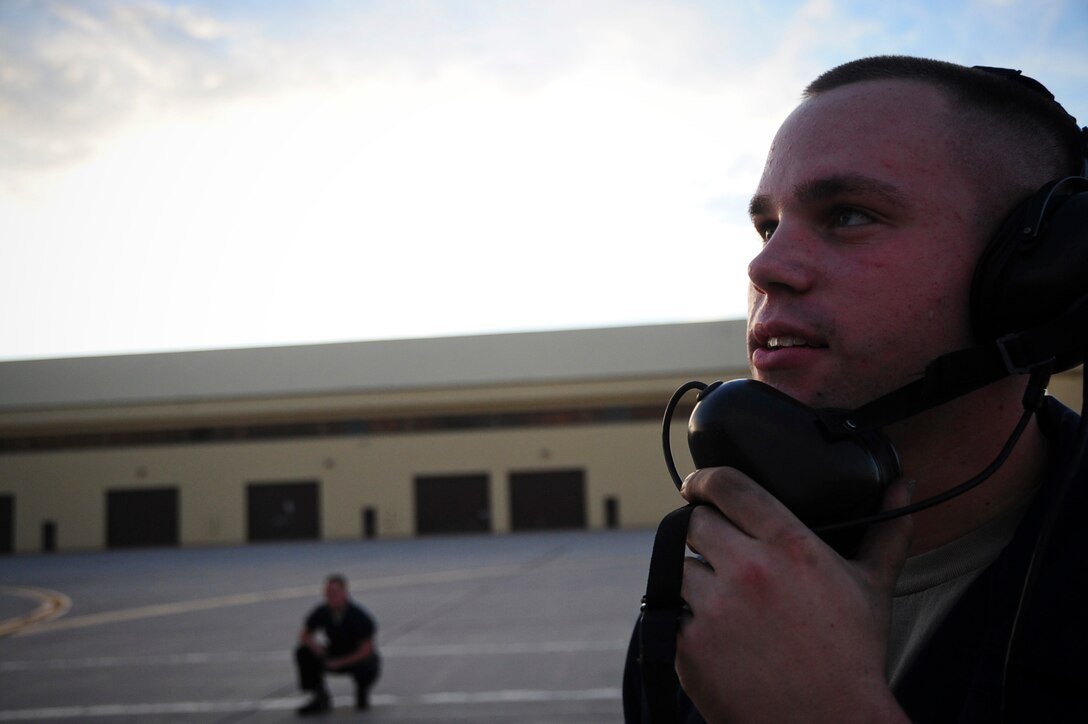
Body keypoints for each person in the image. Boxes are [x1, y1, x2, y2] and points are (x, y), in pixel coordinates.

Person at [624, 56, 1088, 722]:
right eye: (768, 226)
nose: (764, 266)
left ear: (1038, 273)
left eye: (846, 216)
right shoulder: (714, 589)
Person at [294, 573, 381, 716]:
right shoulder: (322, 612)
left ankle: (362, 693)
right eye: (328, 593)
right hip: (334, 651)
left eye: (334, 593)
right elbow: (304, 635)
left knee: (369, 662)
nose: (330, 597)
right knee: (303, 652)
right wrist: (316, 647)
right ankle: (319, 695)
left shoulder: (359, 617)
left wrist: (340, 662)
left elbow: (366, 650)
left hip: (355, 655)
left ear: (344, 592)